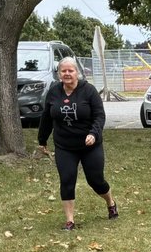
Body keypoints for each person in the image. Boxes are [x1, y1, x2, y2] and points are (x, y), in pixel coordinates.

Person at [38, 58, 117, 231]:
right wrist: (42, 140)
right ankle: (70, 221)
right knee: (67, 180)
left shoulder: (88, 91)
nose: (67, 74)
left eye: (70, 71)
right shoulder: (53, 92)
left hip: (90, 145)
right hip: (64, 145)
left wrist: (94, 133)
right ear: (59, 74)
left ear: (77, 73)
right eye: (63, 71)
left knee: (96, 181)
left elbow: (99, 116)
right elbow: (46, 118)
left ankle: (110, 202)